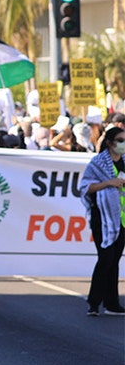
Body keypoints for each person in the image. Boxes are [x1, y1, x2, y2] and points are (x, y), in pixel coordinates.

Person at [77, 126, 125, 316]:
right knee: (105, 258)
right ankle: (94, 302)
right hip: (103, 219)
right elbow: (85, 187)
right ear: (110, 143)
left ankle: (112, 303)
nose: (123, 144)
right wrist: (109, 183)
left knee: (114, 261)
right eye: (120, 140)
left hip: (121, 219)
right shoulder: (98, 163)